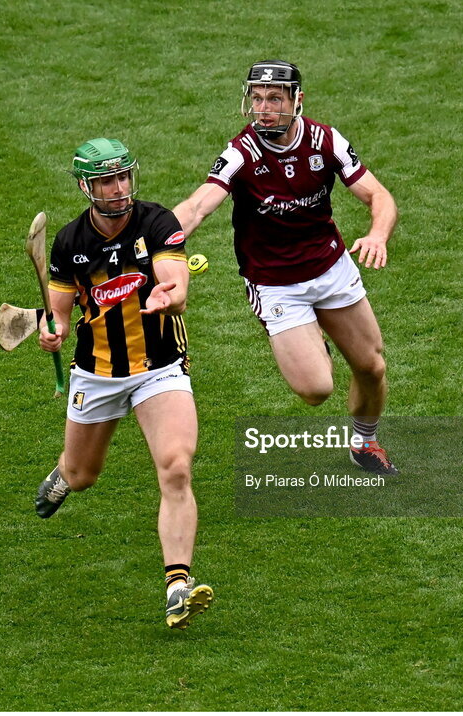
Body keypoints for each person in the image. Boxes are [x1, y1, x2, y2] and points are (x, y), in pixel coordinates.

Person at [173, 60, 399, 475]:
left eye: (274, 99)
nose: (264, 109)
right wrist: (156, 242)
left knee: (372, 366)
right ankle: (309, 336)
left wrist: (377, 235)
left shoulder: (324, 140)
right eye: (257, 99)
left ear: (297, 100)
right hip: (276, 284)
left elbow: (378, 196)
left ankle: (364, 443)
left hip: (332, 269)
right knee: (316, 389)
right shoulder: (242, 152)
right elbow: (197, 205)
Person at [34, 137, 213, 629]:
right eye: (106, 181)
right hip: (96, 374)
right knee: (83, 476)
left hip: (159, 366)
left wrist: (169, 296)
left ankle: (177, 584)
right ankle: (64, 472)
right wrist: (50, 334)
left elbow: (176, 282)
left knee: (176, 466)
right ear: (86, 186)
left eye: (122, 177)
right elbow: (60, 317)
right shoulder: (70, 243)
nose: (117, 189)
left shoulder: (157, 223)